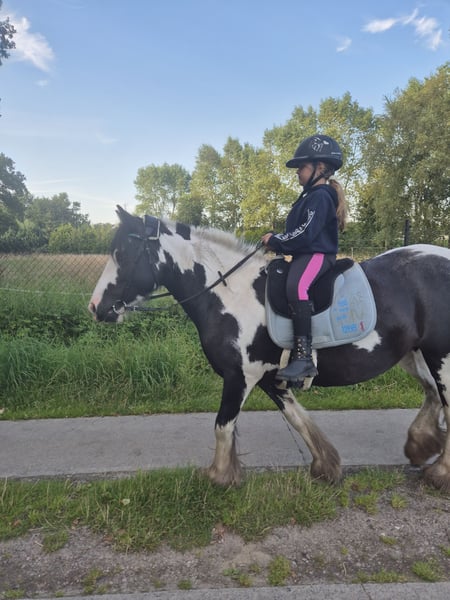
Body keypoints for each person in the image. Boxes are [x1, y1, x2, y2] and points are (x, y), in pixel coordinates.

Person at [261, 134, 347, 383]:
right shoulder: (310, 197)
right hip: (304, 255)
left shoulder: (320, 197)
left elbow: (305, 233)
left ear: (320, 168)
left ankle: (303, 357)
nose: (298, 171)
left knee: (297, 287)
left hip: (317, 255)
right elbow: (298, 232)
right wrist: (276, 239)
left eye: (302, 166)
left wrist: (276, 240)